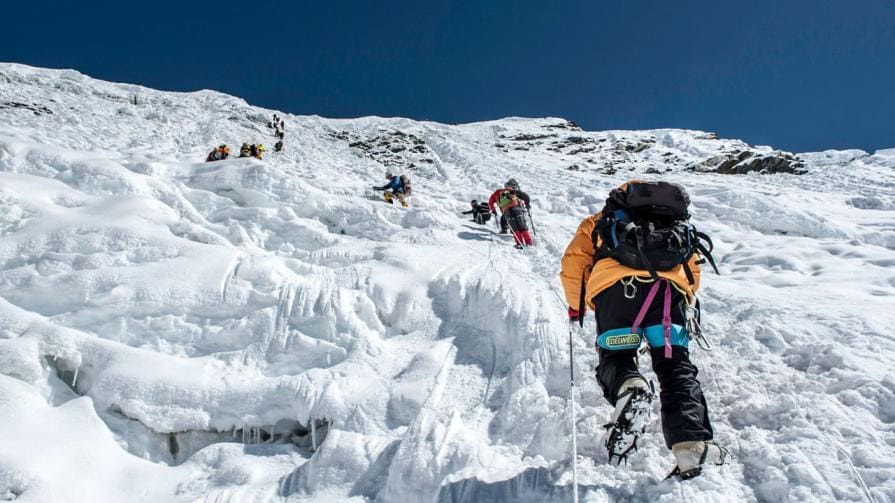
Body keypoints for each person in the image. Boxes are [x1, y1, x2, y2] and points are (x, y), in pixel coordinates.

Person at [560, 180, 726, 479]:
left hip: (615, 292)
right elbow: (692, 267)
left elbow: (574, 263)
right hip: (667, 295)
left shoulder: (600, 221)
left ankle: (629, 386)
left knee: (617, 354)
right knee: (676, 365)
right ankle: (691, 446)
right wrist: (683, 296)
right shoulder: (674, 222)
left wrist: (578, 305)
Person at [488, 179, 532, 247]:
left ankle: (519, 244)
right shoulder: (513, 191)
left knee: (514, 228)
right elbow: (526, 197)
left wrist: (493, 210)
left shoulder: (498, 192)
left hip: (506, 212)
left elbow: (490, 202)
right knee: (522, 226)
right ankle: (528, 243)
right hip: (517, 209)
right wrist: (527, 205)